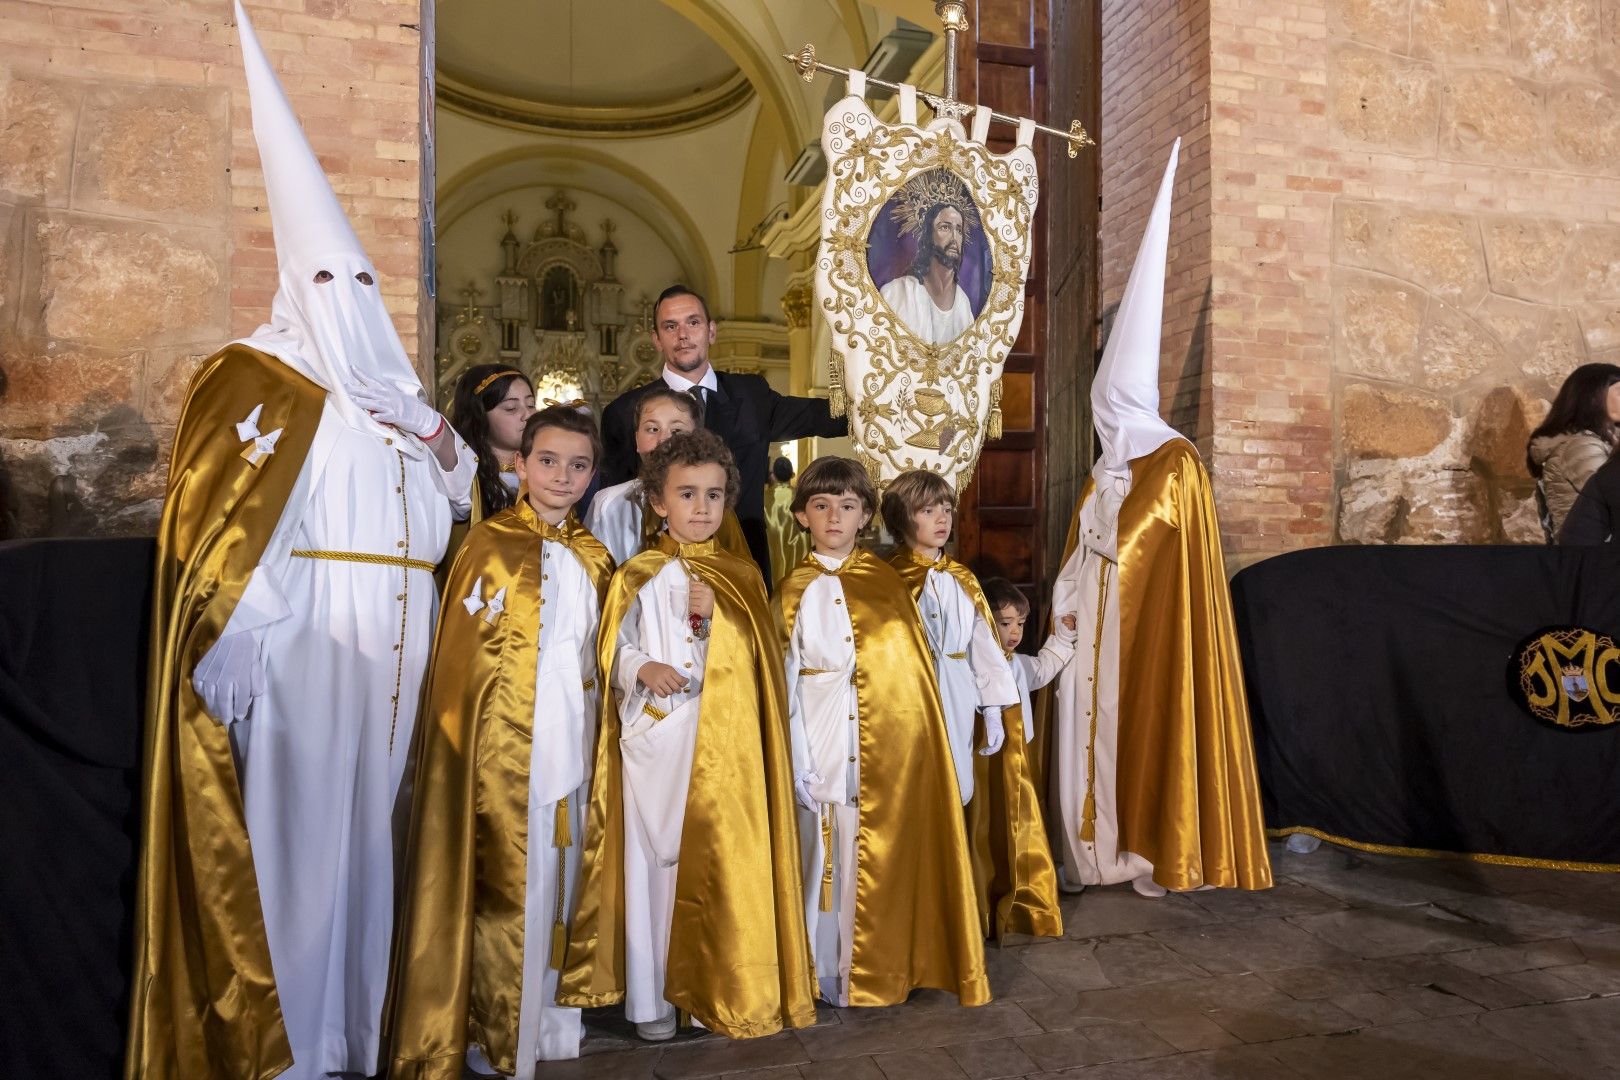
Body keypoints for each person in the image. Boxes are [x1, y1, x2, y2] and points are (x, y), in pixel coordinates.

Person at [127, 6, 478, 1079]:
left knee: (381, 846)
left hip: (404, 648)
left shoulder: (393, 391)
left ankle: (365, 1032)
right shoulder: (257, 378)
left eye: (363, 281)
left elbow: (459, 497)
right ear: (293, 286)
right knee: (300, 845)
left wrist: (428, 427)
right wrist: (240, 633)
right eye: (328, 282)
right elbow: (229, 520)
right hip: (309, 646)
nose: (349, 299)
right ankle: (289, 1045)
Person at [1049, 139, 1271, 900]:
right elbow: (1086, 544)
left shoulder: (1173, 461)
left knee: (1138, 731)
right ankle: (1093, 851)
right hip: (1095, 633)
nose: (1105, 413)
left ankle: (1146, 848)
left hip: (1145, 632)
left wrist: (1106, 538)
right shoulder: (1107, 465)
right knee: (1091, 737)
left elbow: (1156, 548)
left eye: (1112, 404)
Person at [559, 429, 816, 1042]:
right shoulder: (636, 575)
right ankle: (651, 1004)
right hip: (656, 738)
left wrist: (720, 615)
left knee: (717, 864)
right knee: (655, 871)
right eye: (686, 494)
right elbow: (610, 650)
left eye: (714, 495)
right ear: (657, 501)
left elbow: (762, 661)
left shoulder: (741, 576)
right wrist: (639, 666)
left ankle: (712, 991)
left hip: (722, 746)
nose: (701, 508)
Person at [390, 406, 614, 1079]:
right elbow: (466, 666)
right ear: (519, 462)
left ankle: (552, 1023)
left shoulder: (597, 556)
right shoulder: (487, 545)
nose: (562, 476)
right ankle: (495, 1032)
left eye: (578, 465)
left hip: (575, 735)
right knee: (506, 886)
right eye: (548, 461)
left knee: (564, 883)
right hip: (503, 748)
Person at [774, 456, 987, 1008]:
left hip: (878, 747)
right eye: (821, 506)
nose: (834, 517)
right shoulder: (790, 590)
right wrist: (796, 758)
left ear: (866, 515)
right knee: (819, 858)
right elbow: (782, 682)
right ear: (801, 516)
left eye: (847, 507)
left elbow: (910, 677)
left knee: (872, 857)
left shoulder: (888, 585)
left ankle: (872, 970)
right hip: (818, 739)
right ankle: (818, 972)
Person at [883, 470, 1060, 939]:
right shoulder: (889, 580)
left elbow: (985, 646)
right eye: (927, 511)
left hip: (960, 692)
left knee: (962, 794)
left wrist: (993, 708)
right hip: (914, 697)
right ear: (902, 517)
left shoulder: (961, 578)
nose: (941, 519)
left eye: (945, 509)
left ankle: (960, 909)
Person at [599, 285, 847, 587]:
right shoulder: (625, 412)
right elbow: (615, 508)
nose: (683, 334)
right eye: (670, 326)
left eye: (693, 322)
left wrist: (886, 398)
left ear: (711, 331)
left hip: (742, 568)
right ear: (656, 339)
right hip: (659, 576)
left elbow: (826, 417)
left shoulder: (752, 396)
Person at [585, 385, 749, 565]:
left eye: (677, 431)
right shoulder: (607, 504)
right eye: (653, 429)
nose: (663, 440)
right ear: (637, 439)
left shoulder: (716, 508)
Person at [878, 170, 979, 344]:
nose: (954, 237)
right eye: (945, 227)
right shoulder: (896, 294)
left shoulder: (962, 304)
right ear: (928, 236)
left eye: (959, 230)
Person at [1527, 362, 1620, 539]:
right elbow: (1614, 495)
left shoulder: (1599, 440)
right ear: (1594, 397)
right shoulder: (1580, 447)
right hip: (1590, 554)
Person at [448, 365, 537, 521]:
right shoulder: (462, 481)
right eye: (511, 408)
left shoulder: (544, 472)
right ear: (479, 416)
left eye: (530, 405)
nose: (527, 415)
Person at [765, 455, 811, 587]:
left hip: (772, 558)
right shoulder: (803, 498)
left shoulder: (763, 498)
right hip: (798, 560)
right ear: (792, 474)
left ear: (773, 475)